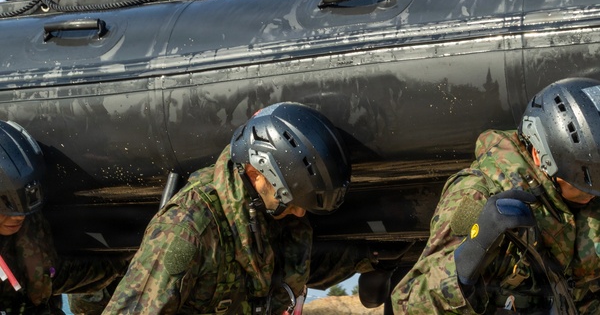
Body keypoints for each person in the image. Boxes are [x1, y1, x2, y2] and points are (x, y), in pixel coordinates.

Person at [102, 101, 353, 314]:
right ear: (257, 174)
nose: (300, 213)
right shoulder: (187, 230)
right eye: (292, 202)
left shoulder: (277, 223)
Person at [391, 77, 600, 314]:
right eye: (586, 179)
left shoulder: (588, 204)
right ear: (542, 157)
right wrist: (470, 258)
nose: (592, 193)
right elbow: (410, 305)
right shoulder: (478, 194)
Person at [0, 120, 128, 314]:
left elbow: (56, 275)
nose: (18, 219)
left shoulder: (28, 224)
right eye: (6, 210)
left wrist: (121, 262)